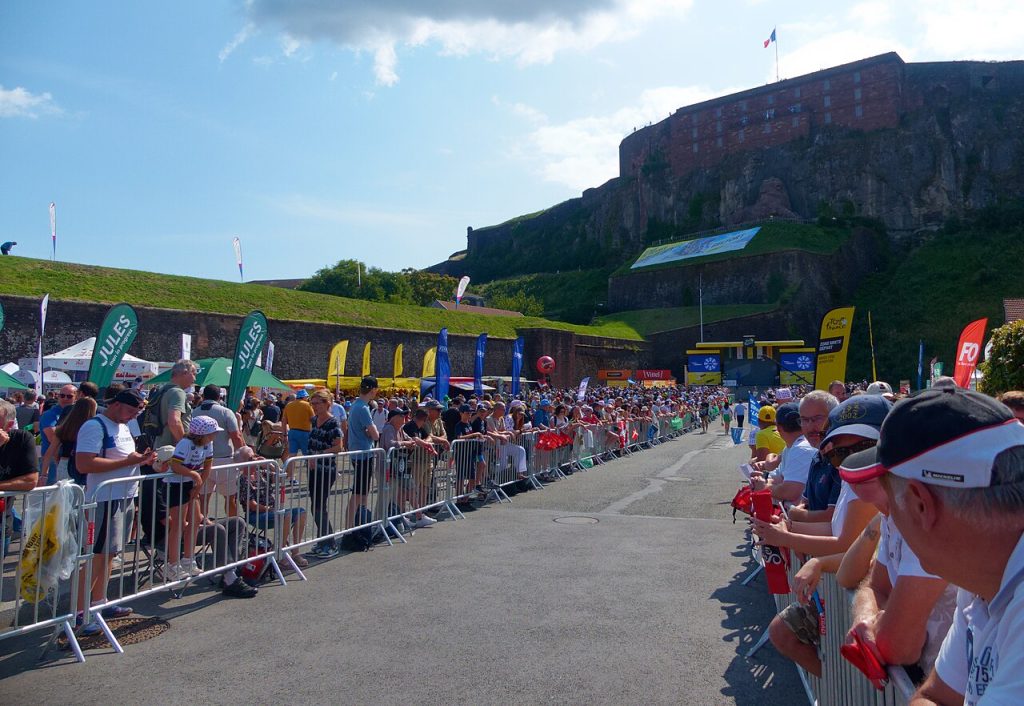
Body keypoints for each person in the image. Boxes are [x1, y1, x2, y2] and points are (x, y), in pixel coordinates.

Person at [875, 388, 1024, 706]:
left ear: (920, 504)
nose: (886, 514)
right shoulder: (980, 578)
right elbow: (934, 695)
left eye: (889, 504)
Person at [837, 446, 957, 680]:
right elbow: (874, 586)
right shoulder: (893, 517)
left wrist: (877, 629)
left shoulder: (926, 525)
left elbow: (900, 646)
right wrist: (865, 618)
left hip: (950, 683)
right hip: (940, 680)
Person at [74, 389, 156, 635]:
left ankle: (100, 602)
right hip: (104, 498)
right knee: (97, 555)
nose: (133, 416)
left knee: (109, 554)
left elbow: (124, 457)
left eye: (137, 412)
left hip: (124, 495)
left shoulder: (124, 426)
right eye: (131, 411)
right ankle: (79, 613)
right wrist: (129, 462)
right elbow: (84, 463)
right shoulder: (94, 426)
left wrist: (141, 460)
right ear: (117, 405)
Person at [195, 384, 246, 518]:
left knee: (203, 498)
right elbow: (236, 436)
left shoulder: (195, 412)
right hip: (225, 460)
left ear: (203, 396)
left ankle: (202, 525)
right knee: (230, 498)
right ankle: (233, 525)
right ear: (219, 397)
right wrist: (243, 458)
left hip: (201, 460)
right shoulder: (226, 412)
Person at [750, 402, 815, 504]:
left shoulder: (801, 449)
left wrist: (764, 486)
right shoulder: (792, 447)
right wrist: (761, 480)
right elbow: (779, 476)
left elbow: (789, 492)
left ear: (778, 428)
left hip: (799, 512)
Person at [306, 390, 343, 558]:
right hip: (313, 469)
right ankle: (323, 541)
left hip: (326, 469)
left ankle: (330, 542)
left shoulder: (333, 423)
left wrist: (319, 454)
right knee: (315, 506)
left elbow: (338, 447)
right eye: (312, 403)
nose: (314, 407)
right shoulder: (314, 420)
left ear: (327, 403)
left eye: (317, 403)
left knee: (319, 506)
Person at [346, 376, 381, 527]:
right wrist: (371, 432)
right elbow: (375, 435)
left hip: (357, 451)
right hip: (364, 453)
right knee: (359, 493)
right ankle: (350, 526)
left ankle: (358, 524)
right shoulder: (363, 408)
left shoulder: (356, 405)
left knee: (361, 492)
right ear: (373, 390)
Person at [39, 383, 77, 485]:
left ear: (76, 397)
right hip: (53, 460)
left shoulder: (75, 414)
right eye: (62, 395)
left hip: (69, 460)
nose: (65, 398)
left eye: (69, 396)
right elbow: (53, 439)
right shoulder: (50, 414)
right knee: (51, 492)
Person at [281, 389, 314, 478]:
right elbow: (313, 419)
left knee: (292, 456)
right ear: (304, 397)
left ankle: (291, 477)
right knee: (307, 456)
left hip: (292, 432)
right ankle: (311, 477)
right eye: (307, 397)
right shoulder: (307, 405)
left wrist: (284, 434)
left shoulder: (289, 405)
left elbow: (284, 421)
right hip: (305, 432)